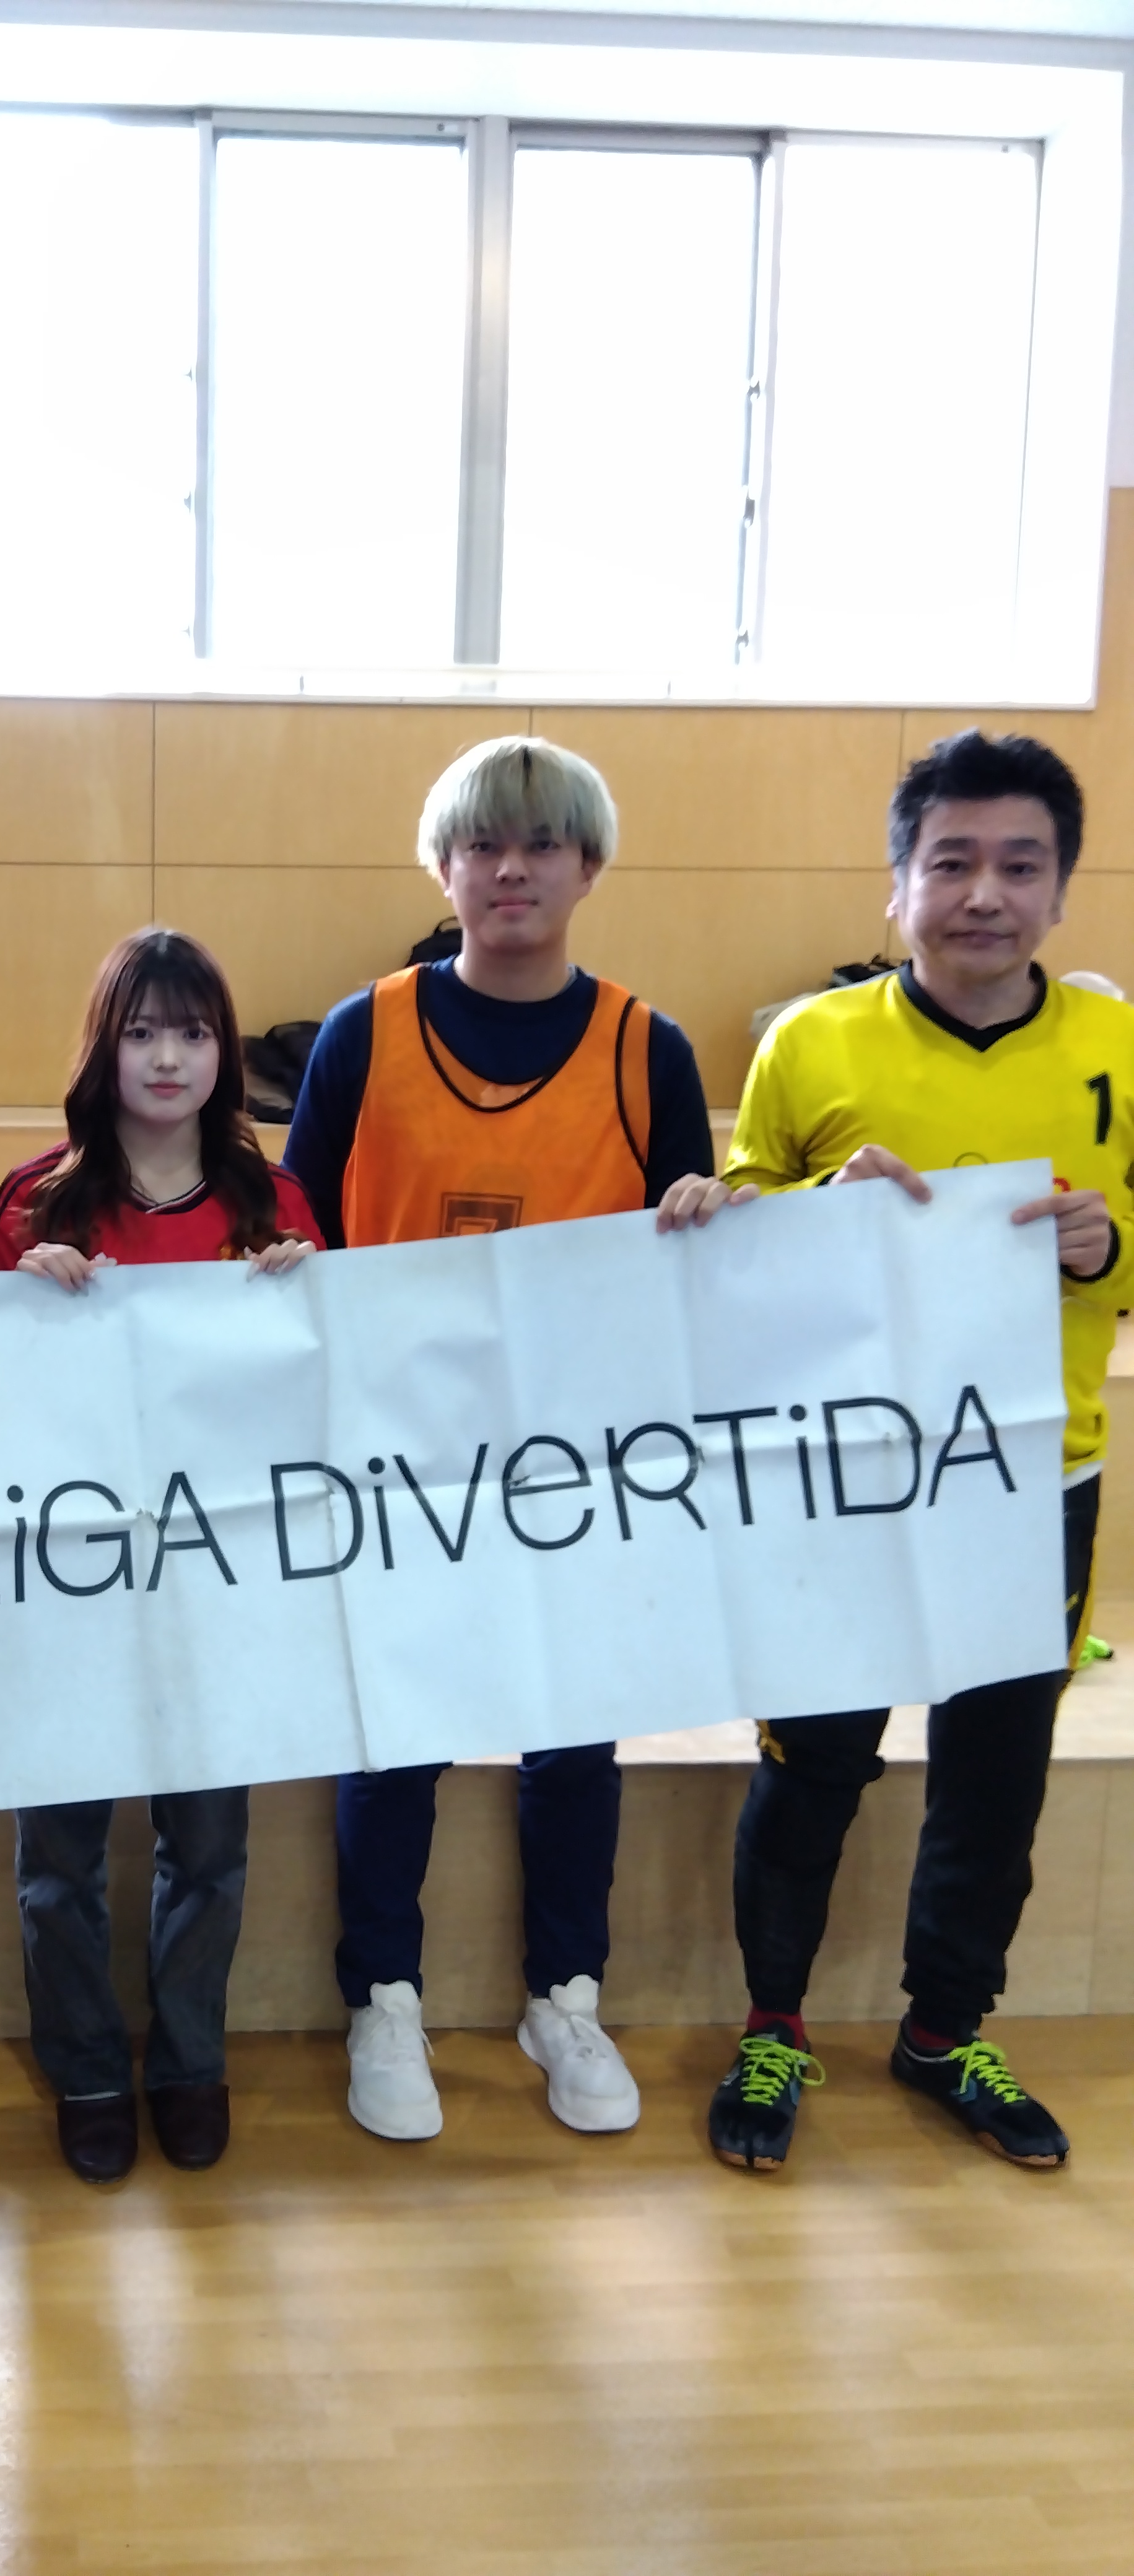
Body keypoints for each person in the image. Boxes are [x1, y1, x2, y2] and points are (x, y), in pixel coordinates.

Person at [660, 729, 1134, 2174]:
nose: (984, 892)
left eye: (1019, 865)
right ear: (897, 883)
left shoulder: (1117, 1046)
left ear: (1061, 888)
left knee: (997, 1776)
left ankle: (945, 2031)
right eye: (952, 861)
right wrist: (802, 1210)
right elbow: (738, 1240)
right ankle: (772, 2025)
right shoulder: (811, 1042)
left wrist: (1105, 1242)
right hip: (841, 1480)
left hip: (1033, 1477)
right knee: (813, 1764)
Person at [284, 736, 713, 2146]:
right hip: (396, 1459)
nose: (511, 867)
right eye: (483, 842)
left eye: (541, 843)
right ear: (443, 866)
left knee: (572, 1738)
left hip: (570, 1465)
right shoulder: (363, 1034)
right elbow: (295, 1235)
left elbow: (694, 1269)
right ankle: (382, 1994)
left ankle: (564, 1996)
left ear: (590, 866)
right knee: (392, 1735)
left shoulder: (648, 1049)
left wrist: (706, 1220)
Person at [0, 929, 323, 2182]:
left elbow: (317, 1409)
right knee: (59, 1860)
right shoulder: (34, 1203)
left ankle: (187, 2060)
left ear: (224, 1051)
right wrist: (16, 1300)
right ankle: (83, 2067)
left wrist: (305, 1303)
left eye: (192, 1032)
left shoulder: (273, 1206)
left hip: (216, 1594)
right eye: (141, 1032)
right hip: (66, 1587)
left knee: (209, 1850)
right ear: (102, 1048)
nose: (167, 1057)